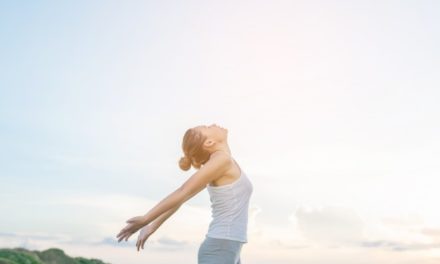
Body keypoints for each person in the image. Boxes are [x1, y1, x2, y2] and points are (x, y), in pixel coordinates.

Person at [116, 123, 253, 264]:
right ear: (209, 142)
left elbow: (183, 198)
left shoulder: (222, 162)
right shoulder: (222, 160)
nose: (212, 124)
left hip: (230, 247)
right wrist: (146, 219)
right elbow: (183, 191)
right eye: (207, 127)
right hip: (220, 246)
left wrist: (153, 226)